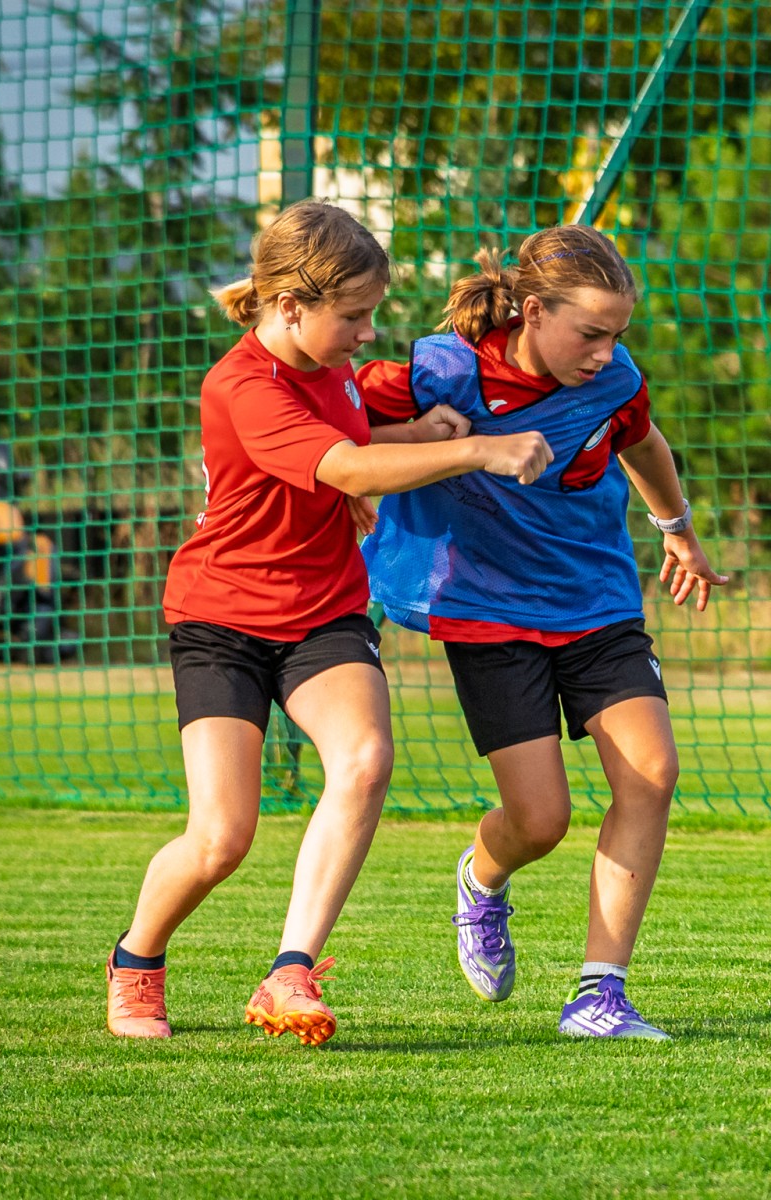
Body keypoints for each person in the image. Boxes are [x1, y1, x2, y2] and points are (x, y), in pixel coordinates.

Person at [105, 200, 552, 1046]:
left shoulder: (332, 366)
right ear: (289, 308)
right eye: (353, 316)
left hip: (325, 611)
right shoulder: (240, 385)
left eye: (371, 313)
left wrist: (417, 428)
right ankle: (137, 961)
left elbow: (348, 428)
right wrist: (479, 448)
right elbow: (343, 462)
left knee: (366, 757)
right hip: (221, 618)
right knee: (222, 837)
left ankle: (290, 970)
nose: (365, 332)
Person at [357, 224, 728, 1040]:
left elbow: (642, 440)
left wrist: (678, 527)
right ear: (531, 311)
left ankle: (601, 995)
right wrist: (444, 444)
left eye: (617, 335)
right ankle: (482, 883)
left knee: (653, 771)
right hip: (486, 610)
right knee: (540, 821)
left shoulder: (614, 379)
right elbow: (341, 439)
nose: (604, 353)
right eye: (589, 333)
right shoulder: (435, 370)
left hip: (596, 601)